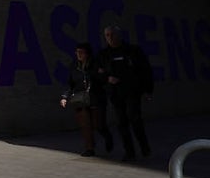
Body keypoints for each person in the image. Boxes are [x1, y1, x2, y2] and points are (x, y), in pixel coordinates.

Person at [95, 25, 154, 161]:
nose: (110, 38)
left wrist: (148, 90)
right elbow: (96, 72)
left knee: (135, 119)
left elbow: (145, 70)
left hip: (132, 91)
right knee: (121, 122)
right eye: (107, 35)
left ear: (119, 35)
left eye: (113, 34)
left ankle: (144, 146)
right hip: (115, 94)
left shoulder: (133, 51)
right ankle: (129, 151)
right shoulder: (103, 55)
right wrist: (107, 78)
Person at [59, 42, 111, 157]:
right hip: (80, 99)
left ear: (87, 53)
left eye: (81, 52)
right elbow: (70, 83)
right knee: (85, 125)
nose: (78, 54)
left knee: (99, 124)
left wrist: (101, 75)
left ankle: (107, 136)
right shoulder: (74, 66)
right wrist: (64, 97)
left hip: (96, 98)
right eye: (77, 52)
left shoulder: (96, 65)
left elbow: (104, 80)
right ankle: (89, 148)